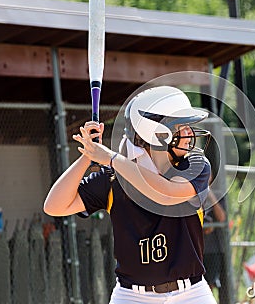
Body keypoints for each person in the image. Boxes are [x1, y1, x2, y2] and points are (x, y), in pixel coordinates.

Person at [44, 86, 217, 304]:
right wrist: (89, 155)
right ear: (154, 133)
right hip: (132, 296)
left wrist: (111, 158)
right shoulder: (113, 178)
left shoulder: (194, 165)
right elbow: (54, 206)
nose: (189, 134)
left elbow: (166, 194)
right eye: (180, 127)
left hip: (190, 293)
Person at [203, 187, 227, 302]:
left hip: (213, 250)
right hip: (196, 249)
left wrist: (210, 195)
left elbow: (222, 218)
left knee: (210, 285)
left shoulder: (217, 194)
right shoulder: (190, 192)